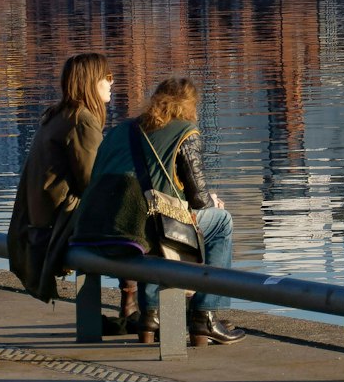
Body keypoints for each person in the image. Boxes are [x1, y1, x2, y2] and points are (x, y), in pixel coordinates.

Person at [71, 77, 245, 345]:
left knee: (153, 224)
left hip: (99, 230)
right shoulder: (186, 132)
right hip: (144, 231)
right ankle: (205, 314)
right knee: (220, 222)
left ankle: (150, 315)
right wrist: (214, 203)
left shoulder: (122, 130)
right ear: (190, 106)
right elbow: (198, 199)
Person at [6, 53, 135, 319]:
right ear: (91, 82)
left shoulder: (57, 115)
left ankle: (133, 304)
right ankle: (137, 307)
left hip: (40, 221)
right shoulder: (82, 120)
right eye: (107, 77)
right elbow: (95, 182)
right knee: (136, 217)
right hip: (60, 222)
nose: (113, 83)